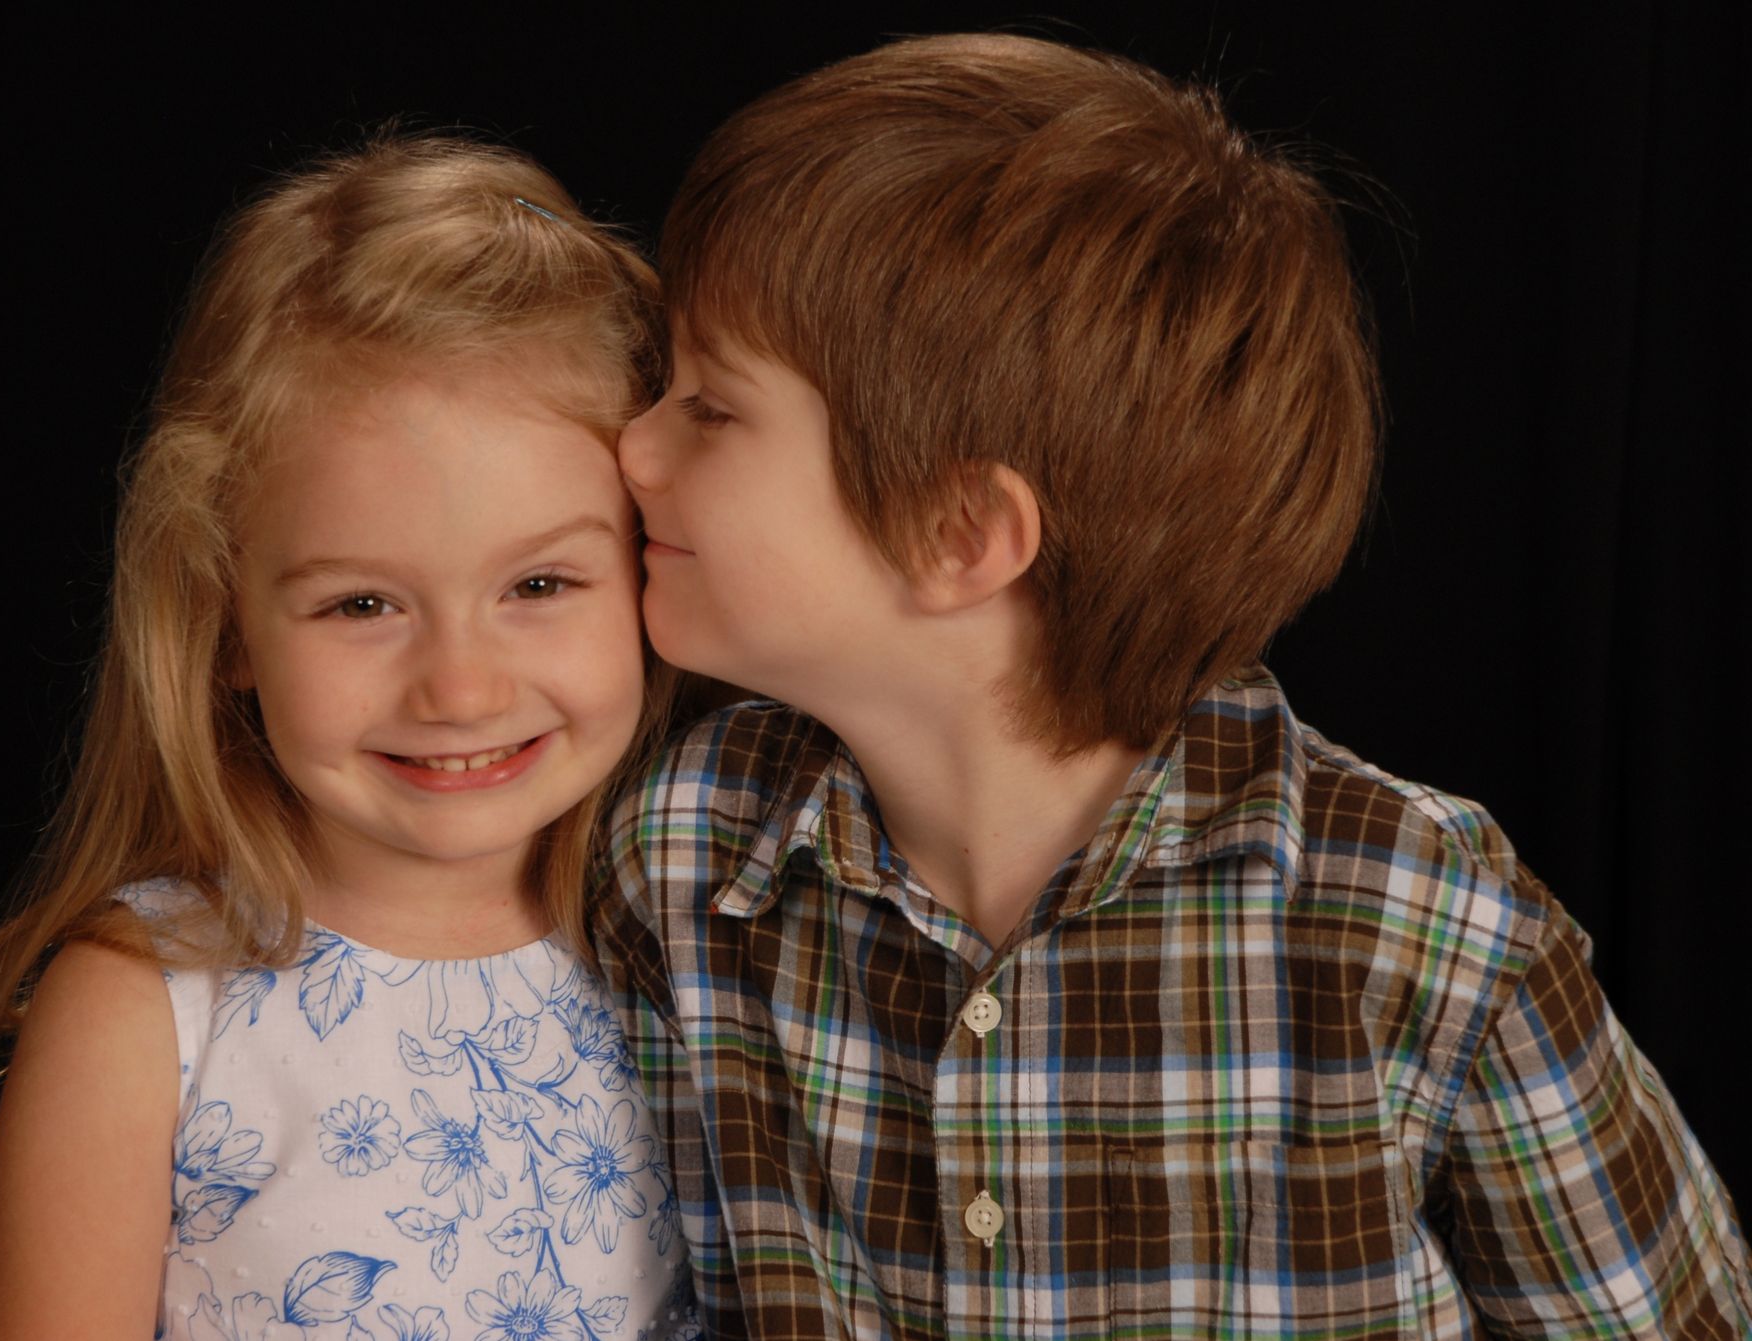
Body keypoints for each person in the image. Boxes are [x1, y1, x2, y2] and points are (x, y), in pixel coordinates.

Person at [595, 33, 1751, 1340]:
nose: (631, 447)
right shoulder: (675, 853)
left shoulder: (1420, 925)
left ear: (959, 534)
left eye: (711, 407)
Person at [0, 137, 696, 1340]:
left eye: (541, 585)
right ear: (227, 621)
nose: (459, 688)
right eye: (362, 605)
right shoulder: (145, 1010)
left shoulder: (699, 953)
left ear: (652, 567)